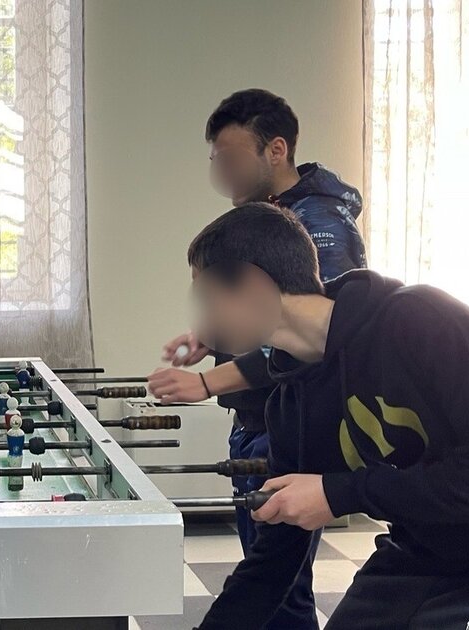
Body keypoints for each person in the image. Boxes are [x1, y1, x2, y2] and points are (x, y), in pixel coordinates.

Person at [185, 203, 469, 629]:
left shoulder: (425, 319)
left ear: (254, 284)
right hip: (421, 554)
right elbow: (273, 562)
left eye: (207, 298)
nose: (203, 325)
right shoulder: (291, 407)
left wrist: (338, 493)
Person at [149, 88, 366, 629]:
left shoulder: (321, 224)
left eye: (230, 157)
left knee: (286, 597)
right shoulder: (268, 216)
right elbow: (273, 321)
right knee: (270, 573)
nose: (221, 173)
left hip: (287, 429)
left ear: (276, 149)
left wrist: (207, 383)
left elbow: (302, 338)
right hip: (266, 425)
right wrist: (214, 336)